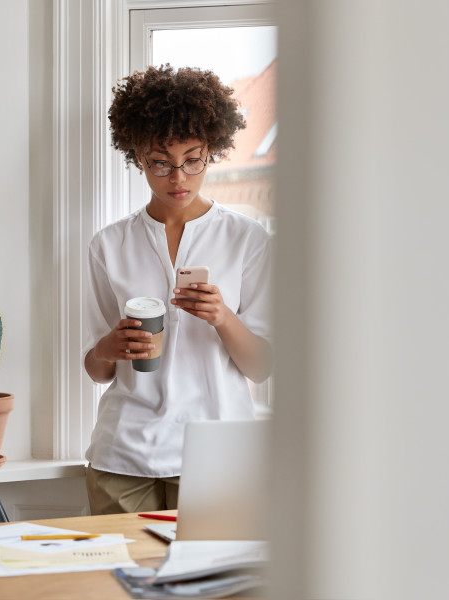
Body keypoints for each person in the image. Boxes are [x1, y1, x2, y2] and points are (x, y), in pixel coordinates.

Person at [82, 64, 273, 515]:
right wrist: (108, 346)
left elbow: (262, 367)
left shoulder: (247, 238)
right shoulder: (109, 245)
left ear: (213, 150)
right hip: (123, 455)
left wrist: (223, 318)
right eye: (160, 162)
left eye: (193, 159)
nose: (178, 178)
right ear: (137, 156)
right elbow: (96, 370)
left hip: (218, 452)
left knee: (212, 585)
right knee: (119, 584)